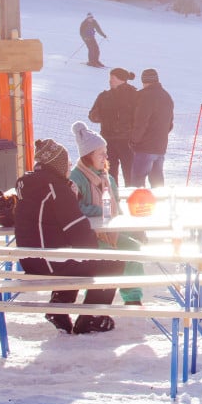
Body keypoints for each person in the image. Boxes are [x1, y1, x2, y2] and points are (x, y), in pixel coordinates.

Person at [13, 137, 124, 334]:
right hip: (49, 262)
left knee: (73, 257)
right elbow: (79, 232)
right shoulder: (56, 188)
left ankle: (59, 305)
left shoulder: (26, 184)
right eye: (67, 163)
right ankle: (91, 317)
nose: (69, 167)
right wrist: (95, 248)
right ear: (59, 164)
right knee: (113, 262)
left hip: (30, 260)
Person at [69, 120, 145, 306]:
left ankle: (133, 298)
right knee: (109, 256)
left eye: (105, 152)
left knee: (132, 249)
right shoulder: (75, 178)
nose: (105, 157)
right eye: (101, 153)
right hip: (86, 237)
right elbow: (74, 209)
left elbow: (115, 209)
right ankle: (95, 301)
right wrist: (101, 213)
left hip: (110, 232)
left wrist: (127, 229)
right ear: (88, 155)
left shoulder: (108, 178)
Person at [88, 67, 141, 186]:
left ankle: (131, 198)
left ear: (121, 79)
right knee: (110, 173)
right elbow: (92, 116)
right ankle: (113, 198)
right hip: (108, 140)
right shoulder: (104, 96)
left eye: (112, 78)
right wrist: (102, 115)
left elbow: (140, 118)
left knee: (129, 172)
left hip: (127, 141)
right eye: (110, 78)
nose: (110, 81)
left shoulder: (135, 96)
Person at [129, 68, 174, 187]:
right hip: (160, 148)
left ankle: (139, 206)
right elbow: (170, 124)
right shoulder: (166, 96)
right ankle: (160, 204)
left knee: (137, 182)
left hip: (144, 148)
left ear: (144, 81)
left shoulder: (144, 96)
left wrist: (134, 141)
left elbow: (140, 122)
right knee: (157, 183)